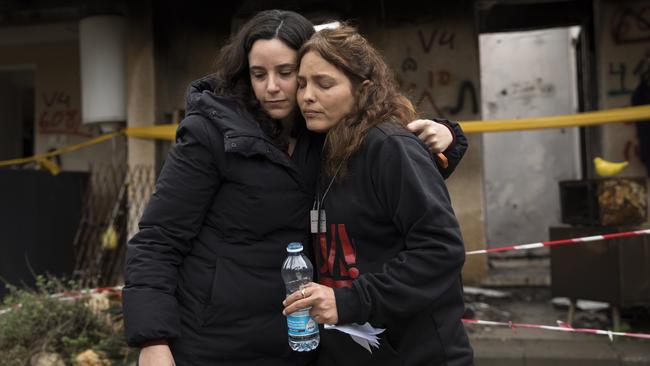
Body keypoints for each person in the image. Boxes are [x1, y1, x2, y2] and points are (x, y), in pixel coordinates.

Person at [123, 10, 467, 366]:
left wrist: (448, 137)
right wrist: (153, 338)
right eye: (259, 74)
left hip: (301, 342)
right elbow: (158, 238)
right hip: (218, 341)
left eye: (287, 74)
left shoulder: (323, 131)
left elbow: (387, 157)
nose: (272, 87)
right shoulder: (210, 134)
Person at [282, 26, 474, 365]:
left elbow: (440, 249)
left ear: (363, 90)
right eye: (301, 84)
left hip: (416, 353)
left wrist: (349, 302)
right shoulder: (321, 144)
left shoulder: (388, 147)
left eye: (324, 84)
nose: (306, 96)